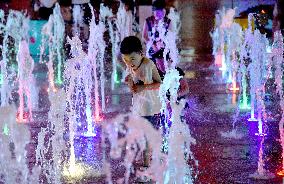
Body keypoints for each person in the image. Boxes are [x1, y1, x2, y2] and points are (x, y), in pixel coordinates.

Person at [120, 36, 162, 167]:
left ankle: (147, 164)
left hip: (150, 106)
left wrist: (143, 86)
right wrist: (130, 82)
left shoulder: (148, 65)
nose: (129, 63)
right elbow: (134, 89)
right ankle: (148, 157)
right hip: (139, 105)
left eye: (132, 59)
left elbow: (159, 83)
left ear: (140, 53)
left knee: (147, 135)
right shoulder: (130, 64)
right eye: (126, 60)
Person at [142, 0, 172, 79]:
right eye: (156, 11)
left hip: (163, 48)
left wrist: (162, 44)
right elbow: (144, 36)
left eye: (160, 11)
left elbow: (170, 37)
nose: (158, 14)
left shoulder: (167, 22)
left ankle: (165, 82)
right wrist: (152, 44)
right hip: (151, 48)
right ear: (153, 11)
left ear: (164, 11)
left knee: (162, 67)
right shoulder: (148, 21)